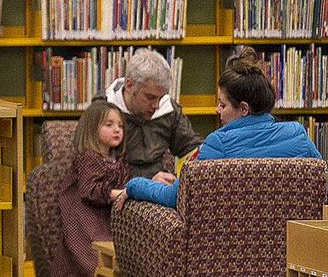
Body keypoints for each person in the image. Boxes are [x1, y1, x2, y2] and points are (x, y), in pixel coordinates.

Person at [117, 46, 322, 210]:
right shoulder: (298, 134)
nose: (217, 110)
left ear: (243, 109)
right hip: (295, 246)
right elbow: (322, 184)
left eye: (222, 105)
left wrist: (135, 186)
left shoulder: (219, 144)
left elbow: (176, 198)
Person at [53, 100, 131, 277]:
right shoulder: (89, 157)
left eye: (120, 125)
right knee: (97, 256)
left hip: (105, 216)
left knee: (116, 261)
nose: (117, 129)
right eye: (108, 124)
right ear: (91, 129)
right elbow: (89, 189)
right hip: (86, 219)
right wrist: (116, 193)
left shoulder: (117, 160)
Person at [101, 48, 200, 180]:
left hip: (158, 188)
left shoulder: (167, 109)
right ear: (129, 85)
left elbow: (190, 147)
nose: (156, 105)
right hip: (117, 191)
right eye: (150, 97)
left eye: (161, 97)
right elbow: (95, 171)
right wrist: (145, 185)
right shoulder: (102, 111)